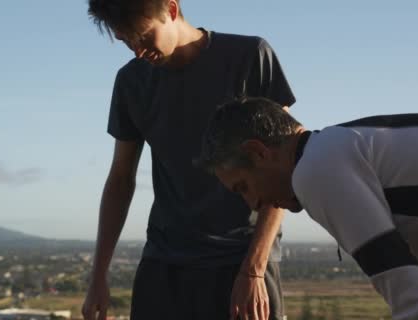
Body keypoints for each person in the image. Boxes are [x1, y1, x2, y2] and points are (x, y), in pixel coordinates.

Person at [196, 97, 418, 319]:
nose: (253, 204)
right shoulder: (342, 146)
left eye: (244, 187)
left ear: (259, 153)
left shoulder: (316, 170)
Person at [82, 1, 296, 319]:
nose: (137, 51)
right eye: (126, 41)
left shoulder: (250, 57)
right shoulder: (131, 82)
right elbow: (120, 177)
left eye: (142, 36)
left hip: (243, 259)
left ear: (170, 9)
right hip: (165, 265)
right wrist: (98, 275)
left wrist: (253, 270)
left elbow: (284, 163)